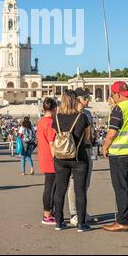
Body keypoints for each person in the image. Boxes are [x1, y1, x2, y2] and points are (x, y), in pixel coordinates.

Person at [102, 81, 128, 232]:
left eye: (113, 94)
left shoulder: (118, 109)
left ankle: (122, 221)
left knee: (121, 188)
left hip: (120, 154)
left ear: (117, 94)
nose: (113, 97)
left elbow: (112, 132)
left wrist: (105, 147)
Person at [52, 90, 91, 232]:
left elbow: (56, 136)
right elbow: (87, 138)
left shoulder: (56, 118)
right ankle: (81, 223)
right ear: (75, 101)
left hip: (60, 158)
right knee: (80, 190)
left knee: (60, 190)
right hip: (79, 158)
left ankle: (59, 221)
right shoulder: (82, 117)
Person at [68, 88, 98, 226]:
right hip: (75, 150)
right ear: (78, 99)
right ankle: (74, 213)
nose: (88, 100)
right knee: (75, 182)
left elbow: (91, 131)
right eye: (86, 98)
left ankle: (82, 210)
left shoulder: (88, 113)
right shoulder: (70, 113)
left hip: (88, 148)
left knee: (85, 183)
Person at [37, 97, 57, 225]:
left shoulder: (41, 121)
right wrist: (56, 158)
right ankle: (47, 214)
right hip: (51, 157)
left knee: (49, 186)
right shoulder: (50, 122)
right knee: (51, 187)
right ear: (55, 109)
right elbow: (52, 142)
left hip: (43, 156)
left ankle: (48, 212)